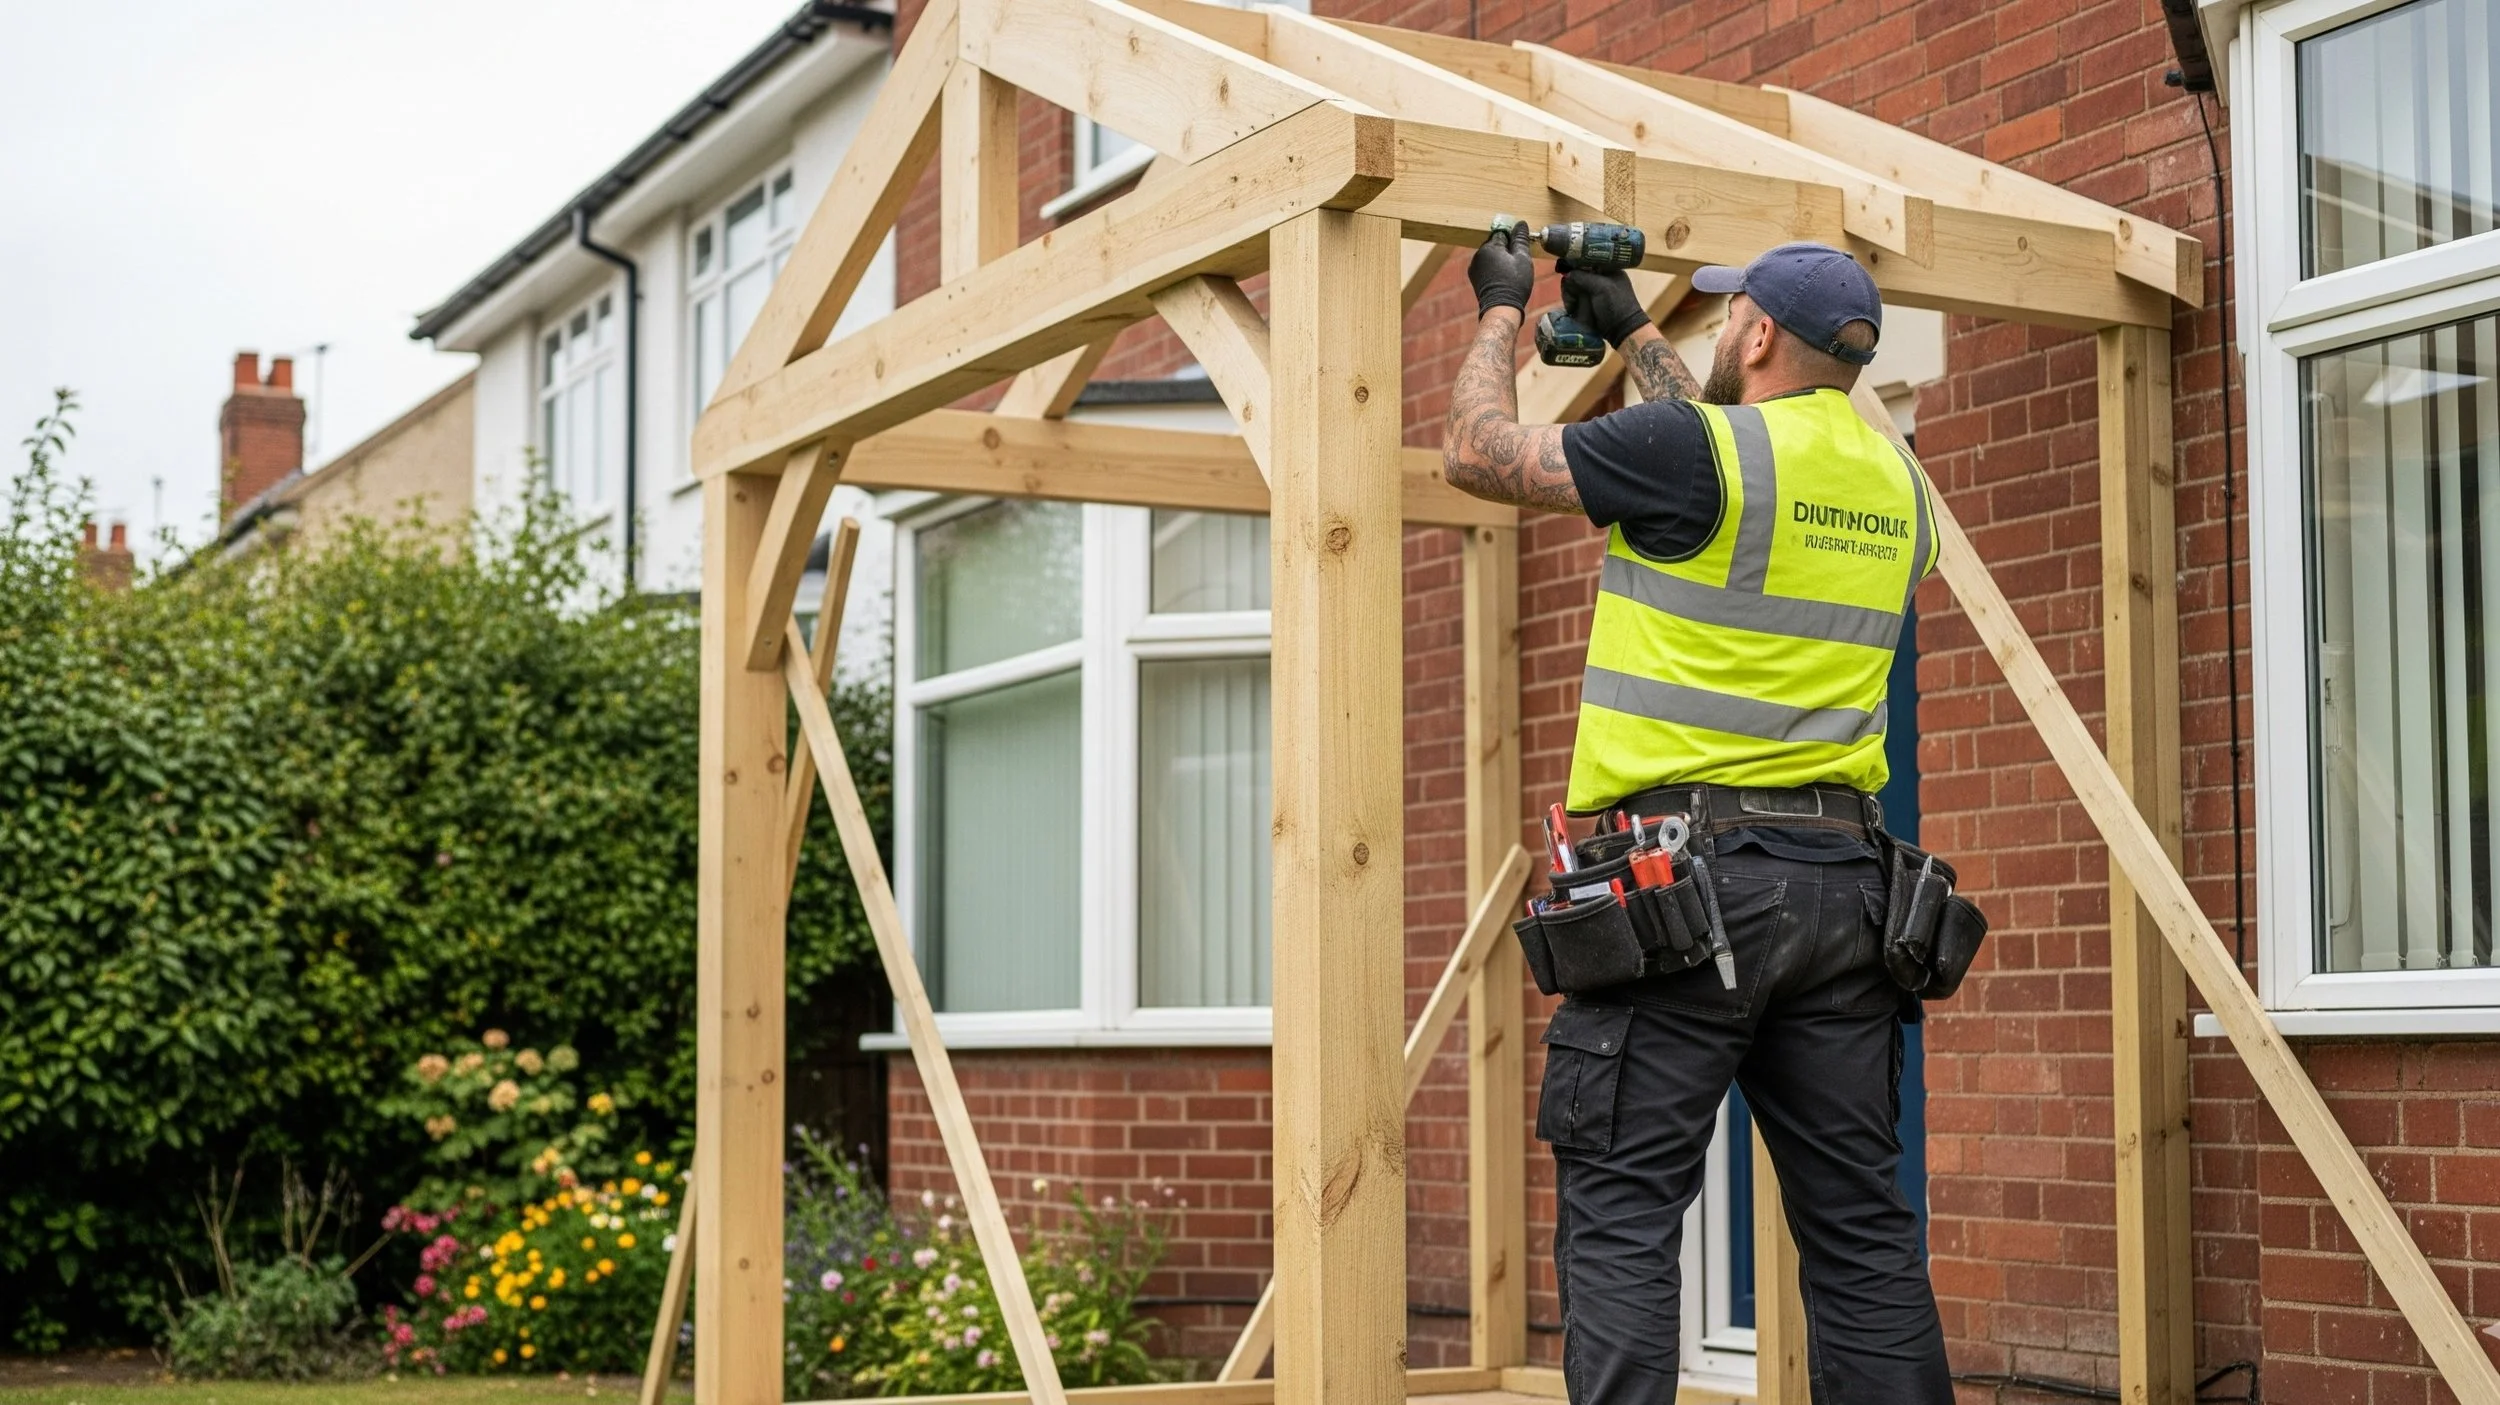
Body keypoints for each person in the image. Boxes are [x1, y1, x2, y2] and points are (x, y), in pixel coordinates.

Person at [1442, 226, 1954, 1403]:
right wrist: (1629, 330)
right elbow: (1721, 459)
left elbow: (1477, 451)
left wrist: (1500, 309)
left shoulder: (1696, 451)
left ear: (1760, 332)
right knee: (1861, 1235)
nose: (1718, 332)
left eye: (1729, 318)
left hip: (1684, 890)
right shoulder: (1896, 485)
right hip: (1843, 889)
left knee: (1623, 1212)